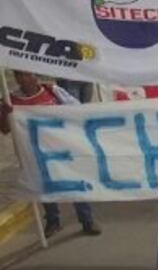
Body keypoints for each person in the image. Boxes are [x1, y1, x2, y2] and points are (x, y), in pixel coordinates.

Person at [0, 71, 100, 236]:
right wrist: (6, 114)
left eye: (26, 75)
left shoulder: (53, 91)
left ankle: (87, 220)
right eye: (19, 75)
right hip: (34, 152)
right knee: (44, 186)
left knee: (74, 183)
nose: (22, 79)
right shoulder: (11, 100)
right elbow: (4, 130)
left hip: (62, 149)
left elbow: (77, 111)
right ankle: (53, 222)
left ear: (35, 76)